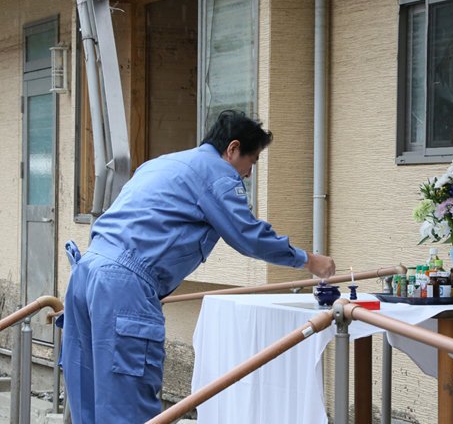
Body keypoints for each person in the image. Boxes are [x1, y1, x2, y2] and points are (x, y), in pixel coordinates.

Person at [61, 109, 336, 423]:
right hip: (124, 285)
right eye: (252, 161)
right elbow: (248, 235)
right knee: (127, 406)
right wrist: (309, 260)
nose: (248, 174)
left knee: (88, 400)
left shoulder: (161, 163)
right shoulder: (217, 173)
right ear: (232, 149)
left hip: (86, 272)